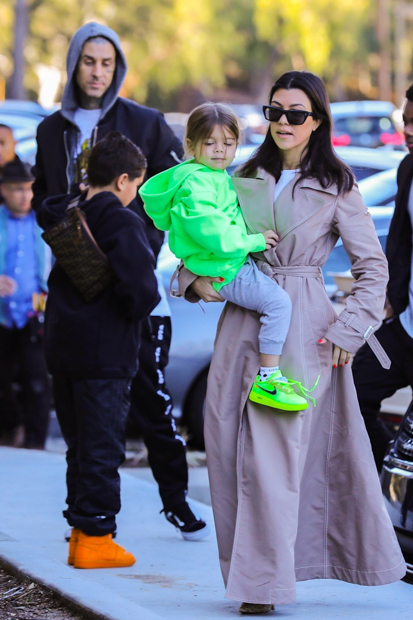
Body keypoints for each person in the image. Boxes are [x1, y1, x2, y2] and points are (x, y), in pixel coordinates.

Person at [178, 72, 405, 614]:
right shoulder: (240, 175)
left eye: (296, 114)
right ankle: (254, 578)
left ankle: (263, 589)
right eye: (274, 111)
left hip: (304, 333)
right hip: (238, 328)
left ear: (318, 120)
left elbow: (375, 269)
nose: (283, 122)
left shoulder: (339, 183)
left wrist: (349, 331)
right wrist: (191, 282)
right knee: (231, 457)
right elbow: (197, 239)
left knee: (276, 460)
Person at [32, 22, 208, 540]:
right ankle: (86, 526)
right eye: (89, 61)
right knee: (89, 425)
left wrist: (141, 243)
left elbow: (182, 185)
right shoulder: (49, 130)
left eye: (107, 62)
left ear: (118, 67)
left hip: (133, 287)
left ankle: (175, 501)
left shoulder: (144, 122)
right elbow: (45, 200)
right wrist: (71, 239)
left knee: (152, 404)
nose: (97, 71)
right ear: (73, 64)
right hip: (74, 294)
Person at [36, 132, 160, 569]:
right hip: (105, 353)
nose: (137, 194)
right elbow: (142, 291)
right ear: (124, 180)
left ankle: (78, 531)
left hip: (64, 350)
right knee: (103, 446)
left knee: (79, 445)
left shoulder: (71, 212)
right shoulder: (122, 221)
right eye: (138, 184)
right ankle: (96, 537)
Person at [141, 102, 312, 412]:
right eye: (210, 143)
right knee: (278, 303)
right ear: (190, 145)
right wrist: (253, 241)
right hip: (223, 267)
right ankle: (269, 378)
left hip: (222, 262)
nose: (220, 150)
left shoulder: (211, 175)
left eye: (228, 143)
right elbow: (213, 231)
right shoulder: (196, 182)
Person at [352, 83, 413, 472]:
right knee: (353, 389)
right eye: (406, 121)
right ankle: (388, 475)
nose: (408, 130)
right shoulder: (407, 168)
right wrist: (390, 297)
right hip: (404, 330)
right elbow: (400, 240)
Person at [0, 159, 51, 449]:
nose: (25, 196)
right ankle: (11, 424)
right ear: (4, 190)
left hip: (35, 311)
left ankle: (36, 444)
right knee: (2, 382)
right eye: (17, 189)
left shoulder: (43, 220)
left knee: (38, 382)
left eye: (29, 190)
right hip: (3, 314)